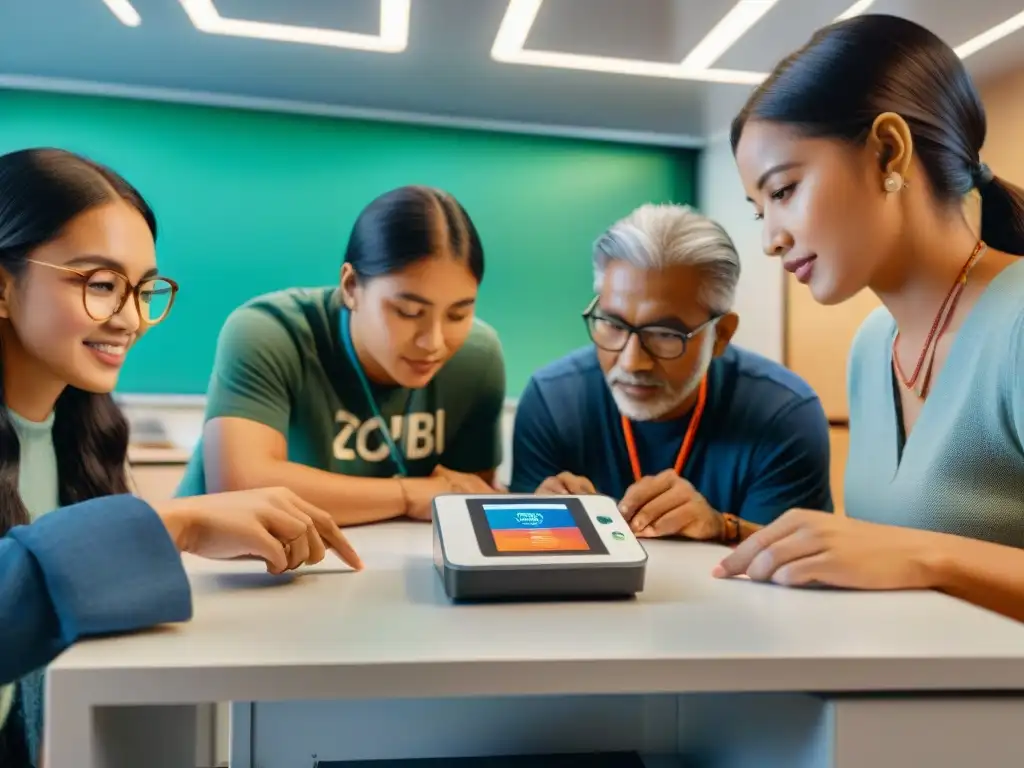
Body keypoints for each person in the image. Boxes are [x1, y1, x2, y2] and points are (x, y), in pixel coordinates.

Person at [0, 147, 362, 767]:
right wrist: (178, 523)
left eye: (143, 290)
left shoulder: (78, 434)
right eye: (102, 284)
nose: (132, 319)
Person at [720, 14, 1024, 622]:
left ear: (889, 149)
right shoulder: (872, 346)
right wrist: (727, 530)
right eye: (759, 212)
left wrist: (925, 558)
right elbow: (880, 549)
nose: (771, 241)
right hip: (899, 703)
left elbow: (909, 550)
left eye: (782, 192)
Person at [176, 185, 506, 522]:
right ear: (351, 287)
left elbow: (467, 497)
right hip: (222, 566)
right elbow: (241, 489)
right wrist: (408, 494)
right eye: (408, 311)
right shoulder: (268, 332)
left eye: (458, 315)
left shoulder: (477, 358)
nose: (433, 342)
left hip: (383, 560)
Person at [510, 203, 832, 543]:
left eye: (665, 334)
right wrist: (534, 522)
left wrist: (721, 528)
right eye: (613, 323)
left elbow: (796, 569)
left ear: (720, 335)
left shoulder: (783, 414)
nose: (632, 362)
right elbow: (522, 557)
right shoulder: (552, 401)